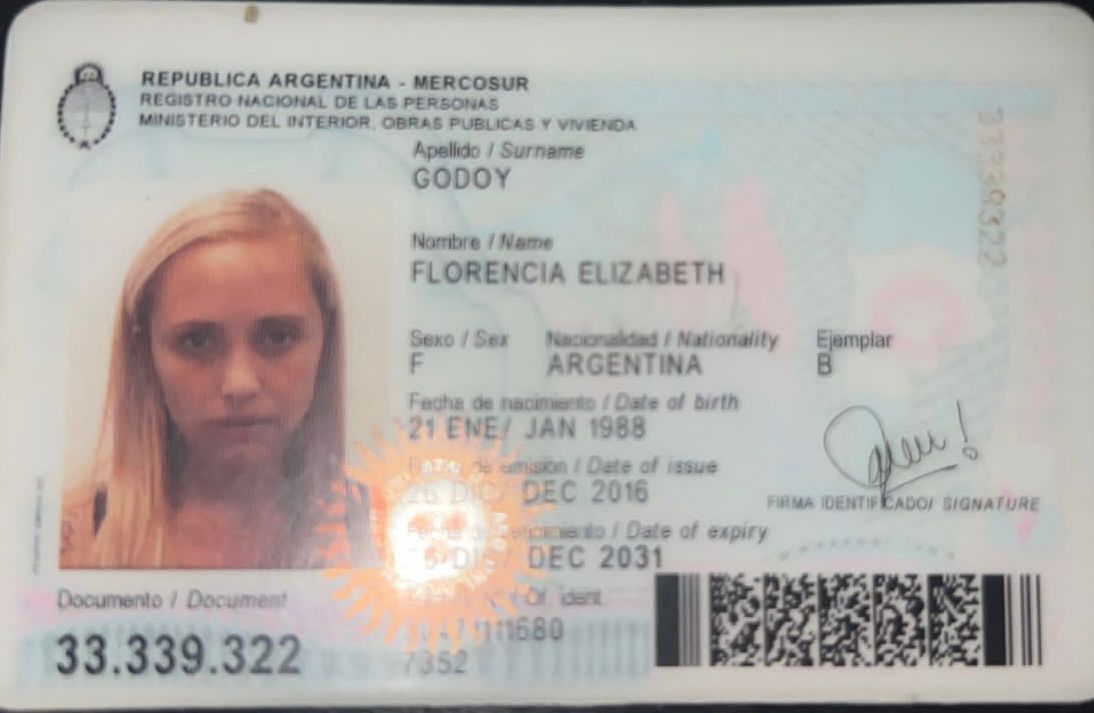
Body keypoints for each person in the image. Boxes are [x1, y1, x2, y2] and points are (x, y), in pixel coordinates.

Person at [60, 189, 365, 568]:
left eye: (278, 337)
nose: (240, 384)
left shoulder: (393, 534)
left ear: (325, 338)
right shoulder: (67, 545)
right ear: (145, 352)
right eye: (197, 341)